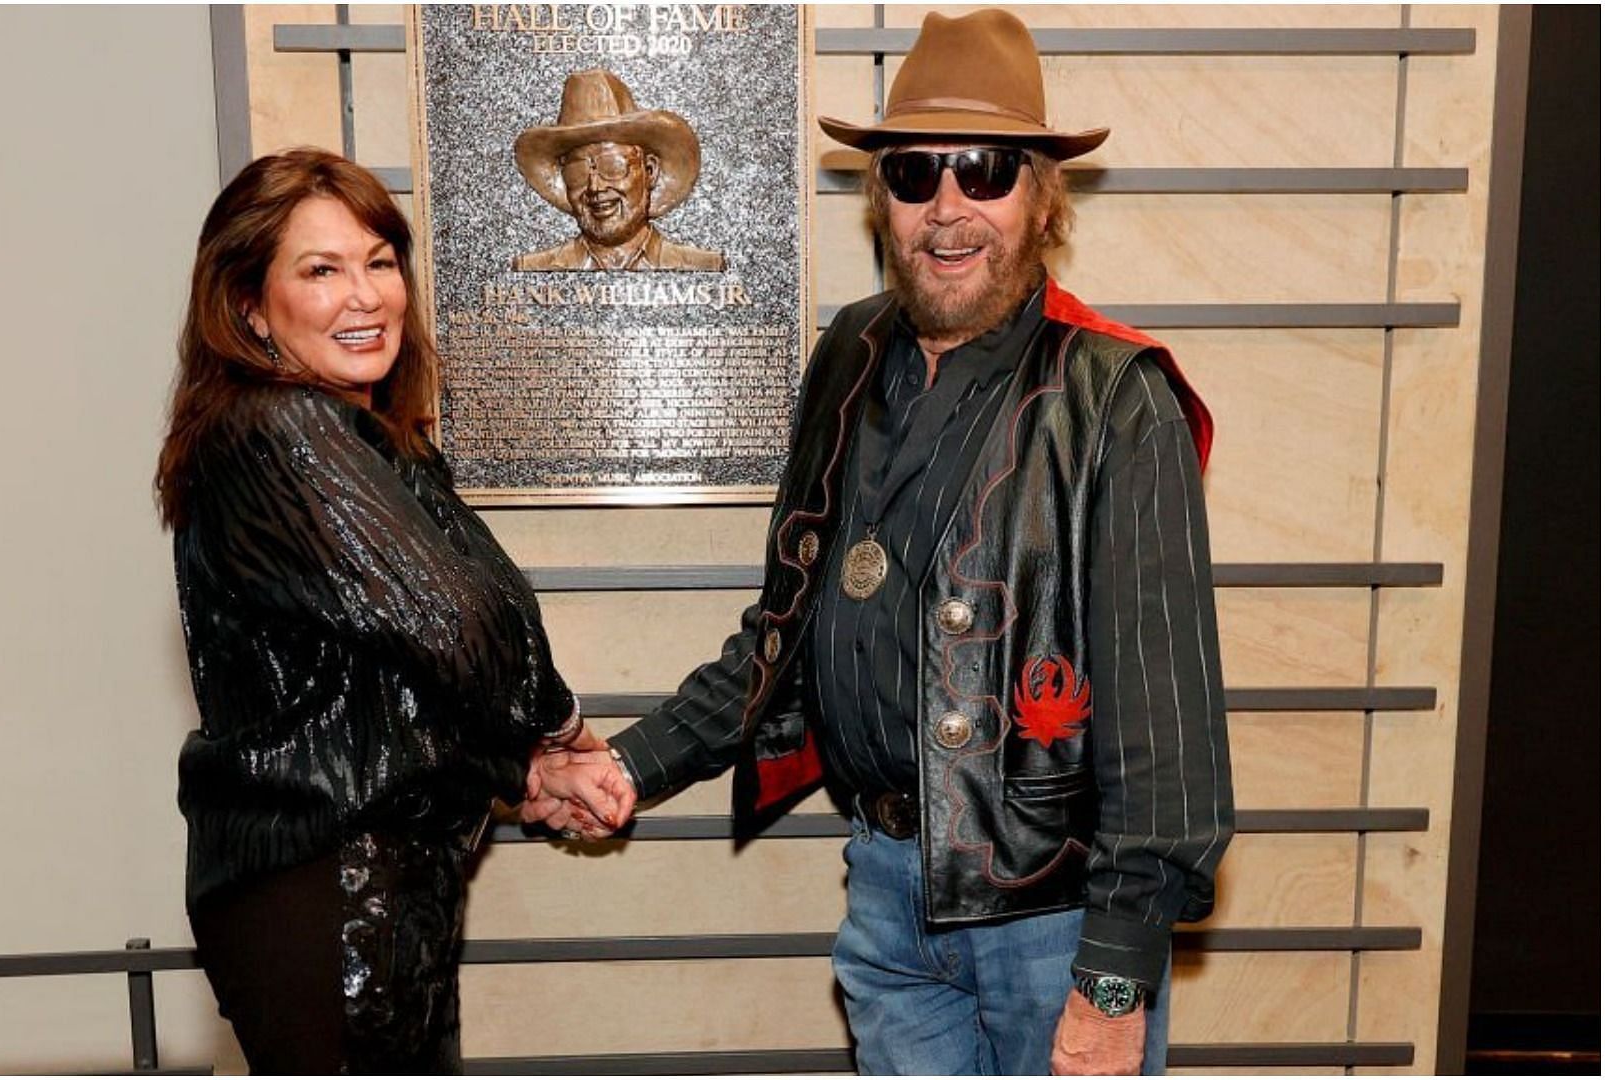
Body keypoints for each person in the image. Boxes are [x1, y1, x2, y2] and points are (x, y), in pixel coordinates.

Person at [528, 10, 1235, 1075]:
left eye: (986, 171)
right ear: (882, 201)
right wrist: (629, 763)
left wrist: (1115, 981)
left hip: (1053, 927)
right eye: (913, 175)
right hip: (887, 899)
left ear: (1044, 202)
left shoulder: (1118, 399)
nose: (948, 209)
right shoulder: (849, 354)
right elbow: (785, 632)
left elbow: (1168, 745)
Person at [156, 148, 627, 1074]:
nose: (365, 295)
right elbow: (457, 623)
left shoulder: (376, 445)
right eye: (321, 270)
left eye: (378, 260)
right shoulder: (274, 429)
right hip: (319, 889)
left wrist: (523, 762)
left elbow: (407, 672)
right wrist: (560, 734)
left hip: (377, 879)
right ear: (250, 304)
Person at [511, 69, 726, 272]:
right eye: (578, 171)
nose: (595, 187)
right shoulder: (531, 270)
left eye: (612, 167)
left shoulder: (704, 267)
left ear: (650, 171)